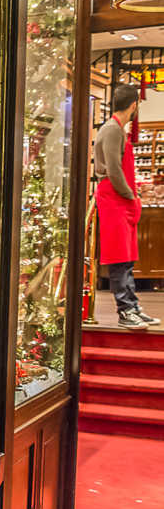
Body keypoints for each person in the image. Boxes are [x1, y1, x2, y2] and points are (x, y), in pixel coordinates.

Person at [95, 84, 159, 327]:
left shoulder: (115, 129)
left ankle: (132, 305)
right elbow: (114, 170)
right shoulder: (112, 130)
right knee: (119, 257)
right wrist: (131, 196)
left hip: (119, 198)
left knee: (127, 257)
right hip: (114, 199)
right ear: (133, 105)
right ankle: (125, 311)